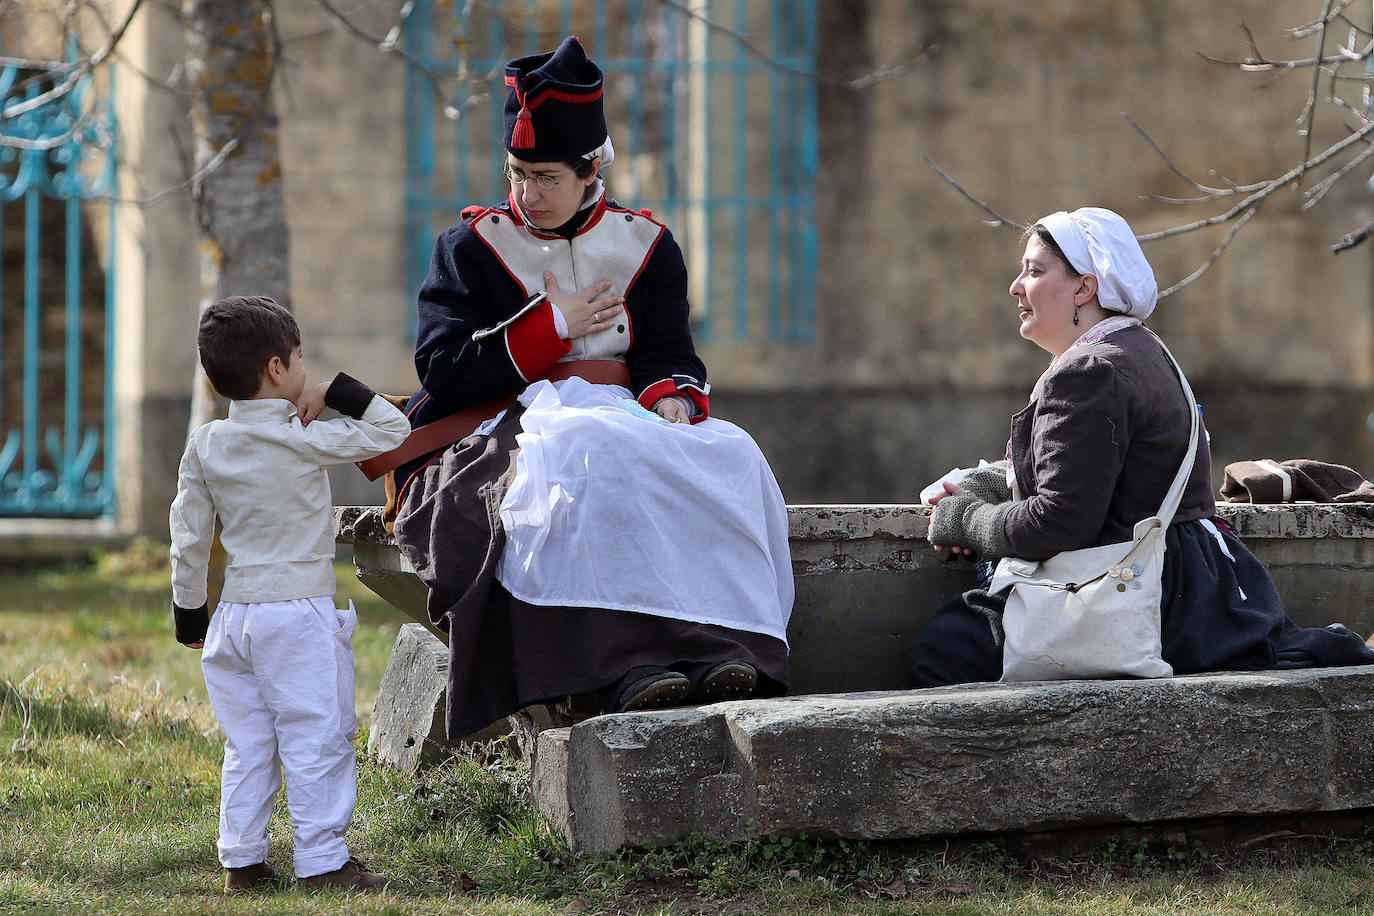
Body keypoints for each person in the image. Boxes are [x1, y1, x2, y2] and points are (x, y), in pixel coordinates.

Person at [385, 36, 793, 739]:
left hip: (626, 413)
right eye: (517, 174)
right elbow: (443, 367)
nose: (526, 194)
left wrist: (671, 395)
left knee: (732, 455)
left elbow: (670, 350)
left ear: (591, 169)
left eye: (545, 177)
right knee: (588, 453)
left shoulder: (648, 246)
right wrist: (550, 326)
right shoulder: (468, 250)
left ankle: (727, 650)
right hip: (509, 421)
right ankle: (620, 665)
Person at [909, 207, 1374, 686]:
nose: (1015, 286)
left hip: (1151, 596)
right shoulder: (1145, 351)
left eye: (1034, 270)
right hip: (1201, 583)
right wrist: (983, 483)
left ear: (1084, 288)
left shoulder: (1087, 372)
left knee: (945, 651)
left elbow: (1060, 518)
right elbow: (1093, 471)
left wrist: (964, 519)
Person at [169, 296, 409, 894]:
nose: (305, 369)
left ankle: (242, 861)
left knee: (248, 744)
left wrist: (188, 608)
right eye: (301, 359)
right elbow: (393, 429)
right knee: (316, 736)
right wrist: (332, 391)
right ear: (278, 370)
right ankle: (324, 861)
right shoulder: (304, 437)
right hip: (297, 616)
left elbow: (188, 533)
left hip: (234, 620)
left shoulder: (206, 445)